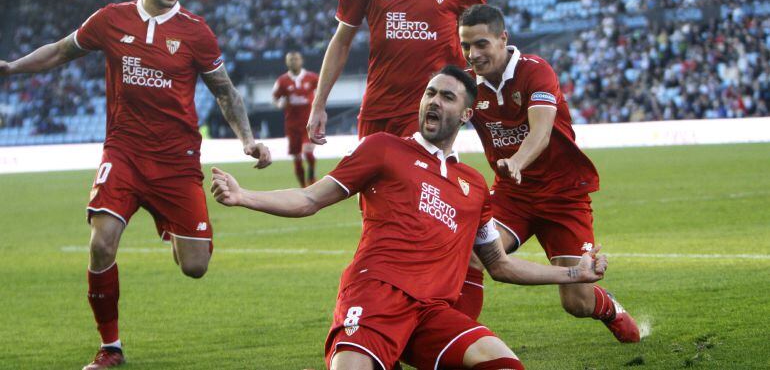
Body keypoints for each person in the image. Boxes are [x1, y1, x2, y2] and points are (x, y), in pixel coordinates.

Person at [213, 66, 608, 370]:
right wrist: (244, 196)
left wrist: (575, 273)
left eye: (447, 97)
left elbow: (500, 265)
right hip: (375, 296)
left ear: (467, 114)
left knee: (505, 364)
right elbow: (309, 198)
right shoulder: (383, 148)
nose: (434, 101)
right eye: (430, 93)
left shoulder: (473, 186)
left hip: (432, 314)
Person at [0, 0, 272, 369]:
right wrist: (12, 68)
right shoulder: (110, 20)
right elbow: (60, 50)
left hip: (177, 161)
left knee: (195, 266)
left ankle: (174, 229)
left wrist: (247, 139)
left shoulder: (196, 31)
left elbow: (225, 91)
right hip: (123, 153)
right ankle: (110, 347)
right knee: (101, 243)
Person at [307, 0, 488, 319]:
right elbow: (341, 41)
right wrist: (319, 104)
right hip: (378, 119)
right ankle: (375, 313)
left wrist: (480, 107)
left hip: (431, 120)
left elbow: (481, 47)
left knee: (441, 223)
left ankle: (451, 325)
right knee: (380, 224)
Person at [458, 4, 640, 343]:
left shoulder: (535, 71)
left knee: (577, 302)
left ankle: (609, 308)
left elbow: (540, 134)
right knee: (473, 253)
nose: (473, 54)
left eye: (481, 44)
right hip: (513, 196)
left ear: (503, 38)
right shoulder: (467, 86)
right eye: (466, 45)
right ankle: (455, 336)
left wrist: (517, 162)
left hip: (564, 195)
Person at [273, 51, 319, 186]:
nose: (293, 62)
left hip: (309, 123)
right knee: (297, 158)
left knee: (308, 153)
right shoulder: (282, 81)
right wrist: (280, 104)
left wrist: (319, 103)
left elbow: (322, 90)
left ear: (301, 61)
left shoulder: (312, 77)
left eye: (296, 59)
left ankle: (312, 177)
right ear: (287, 62)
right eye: (291, 59)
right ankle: (303, 187)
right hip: (292, 125)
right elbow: (275, 98)